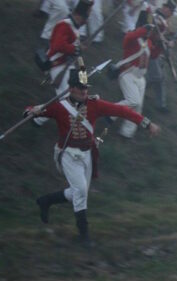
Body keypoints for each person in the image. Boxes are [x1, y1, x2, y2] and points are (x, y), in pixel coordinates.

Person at [24, 68, 160, 246]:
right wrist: (31, 111)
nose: (84, 91)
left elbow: (122, 111)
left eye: (85, 87)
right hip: (68, 154)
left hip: (87, 154)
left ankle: (46, 200)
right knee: (80, 191)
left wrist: (146, 123)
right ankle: (84, 235)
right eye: (80, 88)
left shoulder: (95, 104)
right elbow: (32, 115)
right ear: (71, 88)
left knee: (78, 193)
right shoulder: (58, 106)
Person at [34, 0, 94, 126]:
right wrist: (77, 48)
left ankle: (38, 117)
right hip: (56, 66)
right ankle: (37, 116)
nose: (86, 21)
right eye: (86, 17)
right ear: (79, 16)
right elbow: (58, 45)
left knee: (70, 98)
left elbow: (71, 49)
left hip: (66, 66)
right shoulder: (64, 25)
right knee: (68, 99)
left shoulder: (74, 29)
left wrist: (79, 49)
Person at [109, 22, 164, 139]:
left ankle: (127, 132)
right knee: (134, 101)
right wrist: (143, 30)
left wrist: (160, 46)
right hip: (127, 73)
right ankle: (109, 113)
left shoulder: (148, 42)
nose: (150, 32)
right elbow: (128, 38)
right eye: (148, 30)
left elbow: (152, 55)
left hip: (140, 77)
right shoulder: (133, 38)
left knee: (138, 108)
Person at [138, 0, 177, 113]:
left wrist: (173, 38)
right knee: (157, 77)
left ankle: (161, 105)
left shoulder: (164, 20)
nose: (171, 13)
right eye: (171, 11)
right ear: (165, 8)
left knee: (160, 79)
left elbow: (165, 34)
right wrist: (166, 42)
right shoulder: (155, 17)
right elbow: (151, 35)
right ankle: (138, 89)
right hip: (149, 51)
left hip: (157, 52)